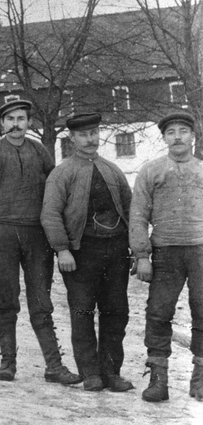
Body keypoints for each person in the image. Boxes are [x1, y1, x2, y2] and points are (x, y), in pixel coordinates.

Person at [0, 98, 79, 385]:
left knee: (41, 301)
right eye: (10, 119)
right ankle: (8, 363)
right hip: (3, 234)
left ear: (29, 123)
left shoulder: (39, 152)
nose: (16, 124)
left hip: (36, 234)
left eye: (21, 119)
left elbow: (54, 189)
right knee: (7, 299)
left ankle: (54, 366)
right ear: (2, 124)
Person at [40, 113, 133, 392]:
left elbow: (130, 210)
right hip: (82, 253)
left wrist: (135, 247)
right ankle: (90, 372)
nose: (90, 139)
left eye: (94, 133)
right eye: (83, 135)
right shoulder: (63, 173)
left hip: (116, 250)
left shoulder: (113, 170)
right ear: (72, 139)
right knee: (82, 313)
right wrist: (62, 250)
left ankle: (111, 372)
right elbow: (50, 214)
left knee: (116, 312)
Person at [129, 111, 203, 402]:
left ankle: (200, 380)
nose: (177, 137)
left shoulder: (201, 170)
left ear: (193, 136)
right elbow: (138, 214)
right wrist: (142, 255)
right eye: (170, 132)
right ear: (163, 138)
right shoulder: (152, 171)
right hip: (165, 252)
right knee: (159, 313)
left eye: (183, 131)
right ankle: (158, 380)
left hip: (200, 251)